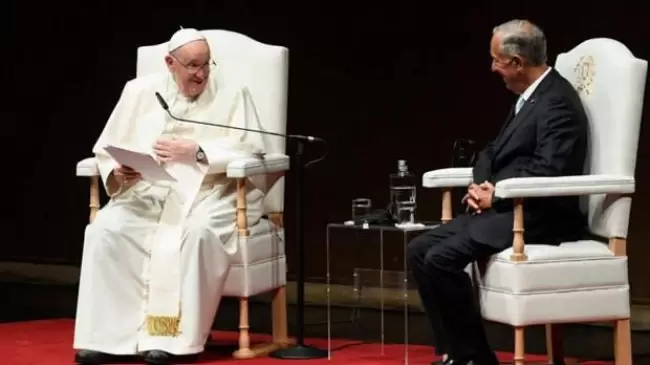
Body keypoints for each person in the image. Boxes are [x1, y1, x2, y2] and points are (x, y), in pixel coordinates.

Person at [73, 28, 268, 365]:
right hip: (150, 190)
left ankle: (173, 342)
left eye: (207, 65)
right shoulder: (138, 92)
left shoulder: (234, 93)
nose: (202, 74)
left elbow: (251, 148)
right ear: (169, 62)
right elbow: (108, 148)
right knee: (105, 229)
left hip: (211, 191)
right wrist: (120, 171)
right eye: (193, 65)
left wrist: (199, 150)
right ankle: (108, 339)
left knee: (196, 233)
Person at [408, 19, 588, 365]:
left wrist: (498, 195)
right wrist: (480, 187)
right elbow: (491, 151)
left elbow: (551, 170)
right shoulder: (529, 98)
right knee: (420, 250)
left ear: (517, 62)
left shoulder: (557, 104)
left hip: (540, 216)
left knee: (442, 258)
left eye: (497, 60)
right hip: (507, 207)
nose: (493, 68)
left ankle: (475, 358)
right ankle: (457, 353)